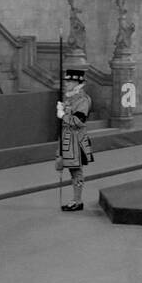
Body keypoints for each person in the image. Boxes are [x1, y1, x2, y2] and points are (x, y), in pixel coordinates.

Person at [55, 67, 92, 211]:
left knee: (76, 170)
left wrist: (62, 115)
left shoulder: (82, 99)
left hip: (76, 140)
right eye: (67, 81)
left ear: (78, 83)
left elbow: (79, 120)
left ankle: (77, 201)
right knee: (72, 170)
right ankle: (76, 199)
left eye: (70, 81)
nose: (67, 83)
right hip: (67, 138)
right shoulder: (70, 98)